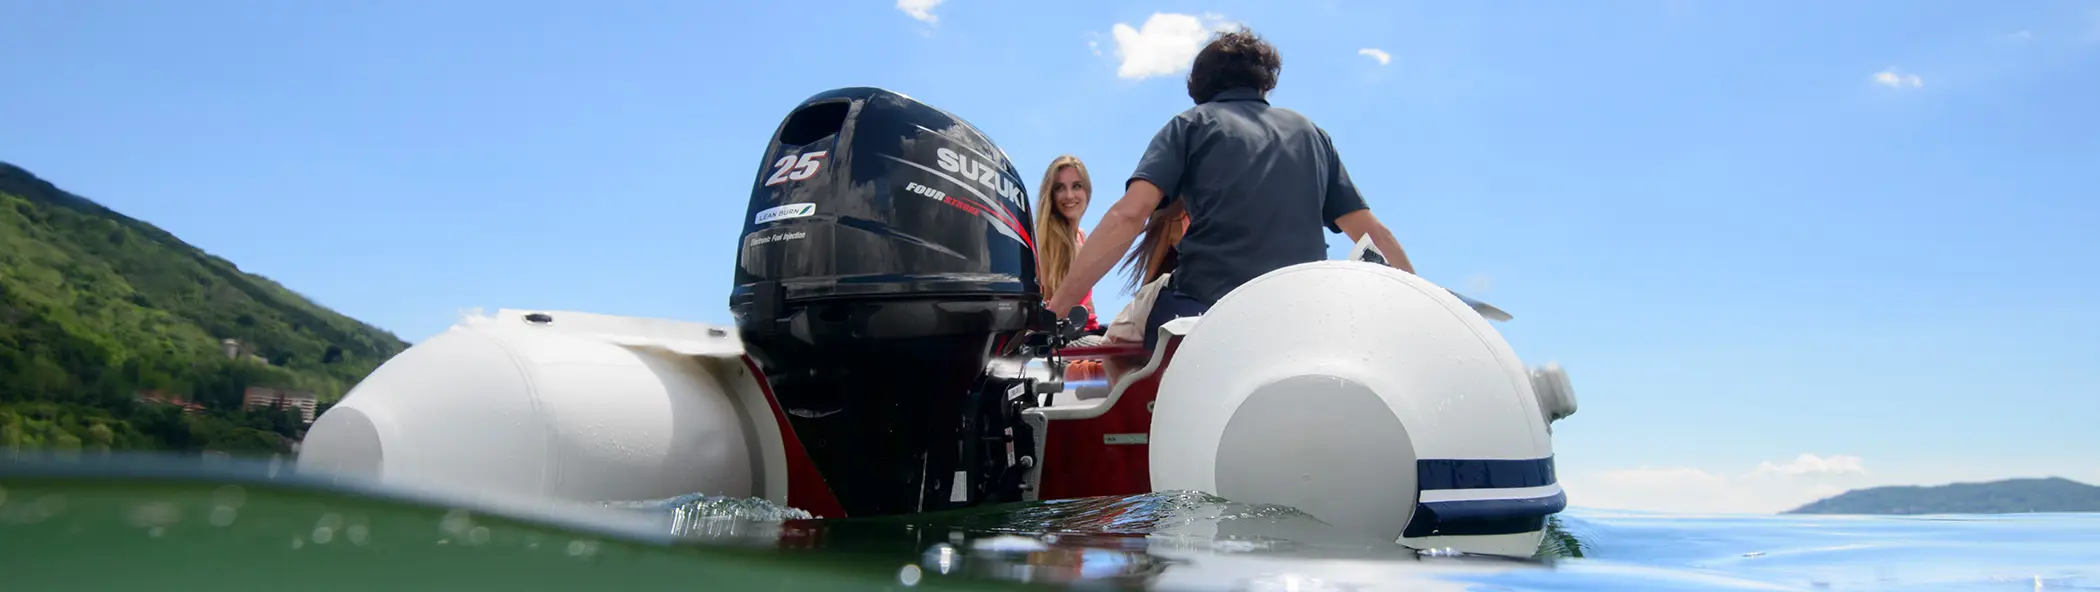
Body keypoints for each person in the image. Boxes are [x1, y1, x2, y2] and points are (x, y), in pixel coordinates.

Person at [1044, 26, 1415, 350]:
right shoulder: (1312, 134)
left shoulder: (1190, 125)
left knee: (1119, 340)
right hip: (1302, 310)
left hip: (1204, 305)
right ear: (1264, 81)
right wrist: (1426, 311)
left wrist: (1054, 312)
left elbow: (1128, 216)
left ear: (1198, 85)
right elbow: (1373, 234)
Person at [1032, 155, 1104, 336]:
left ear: (1087, 191)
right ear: (1051, 195)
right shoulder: (1044, 242)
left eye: (1077, 186)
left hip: (1090, 331)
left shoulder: (1081, 237)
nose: (1069, 195)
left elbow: (1088, 306)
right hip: (1063, 338)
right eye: (1060, 188)